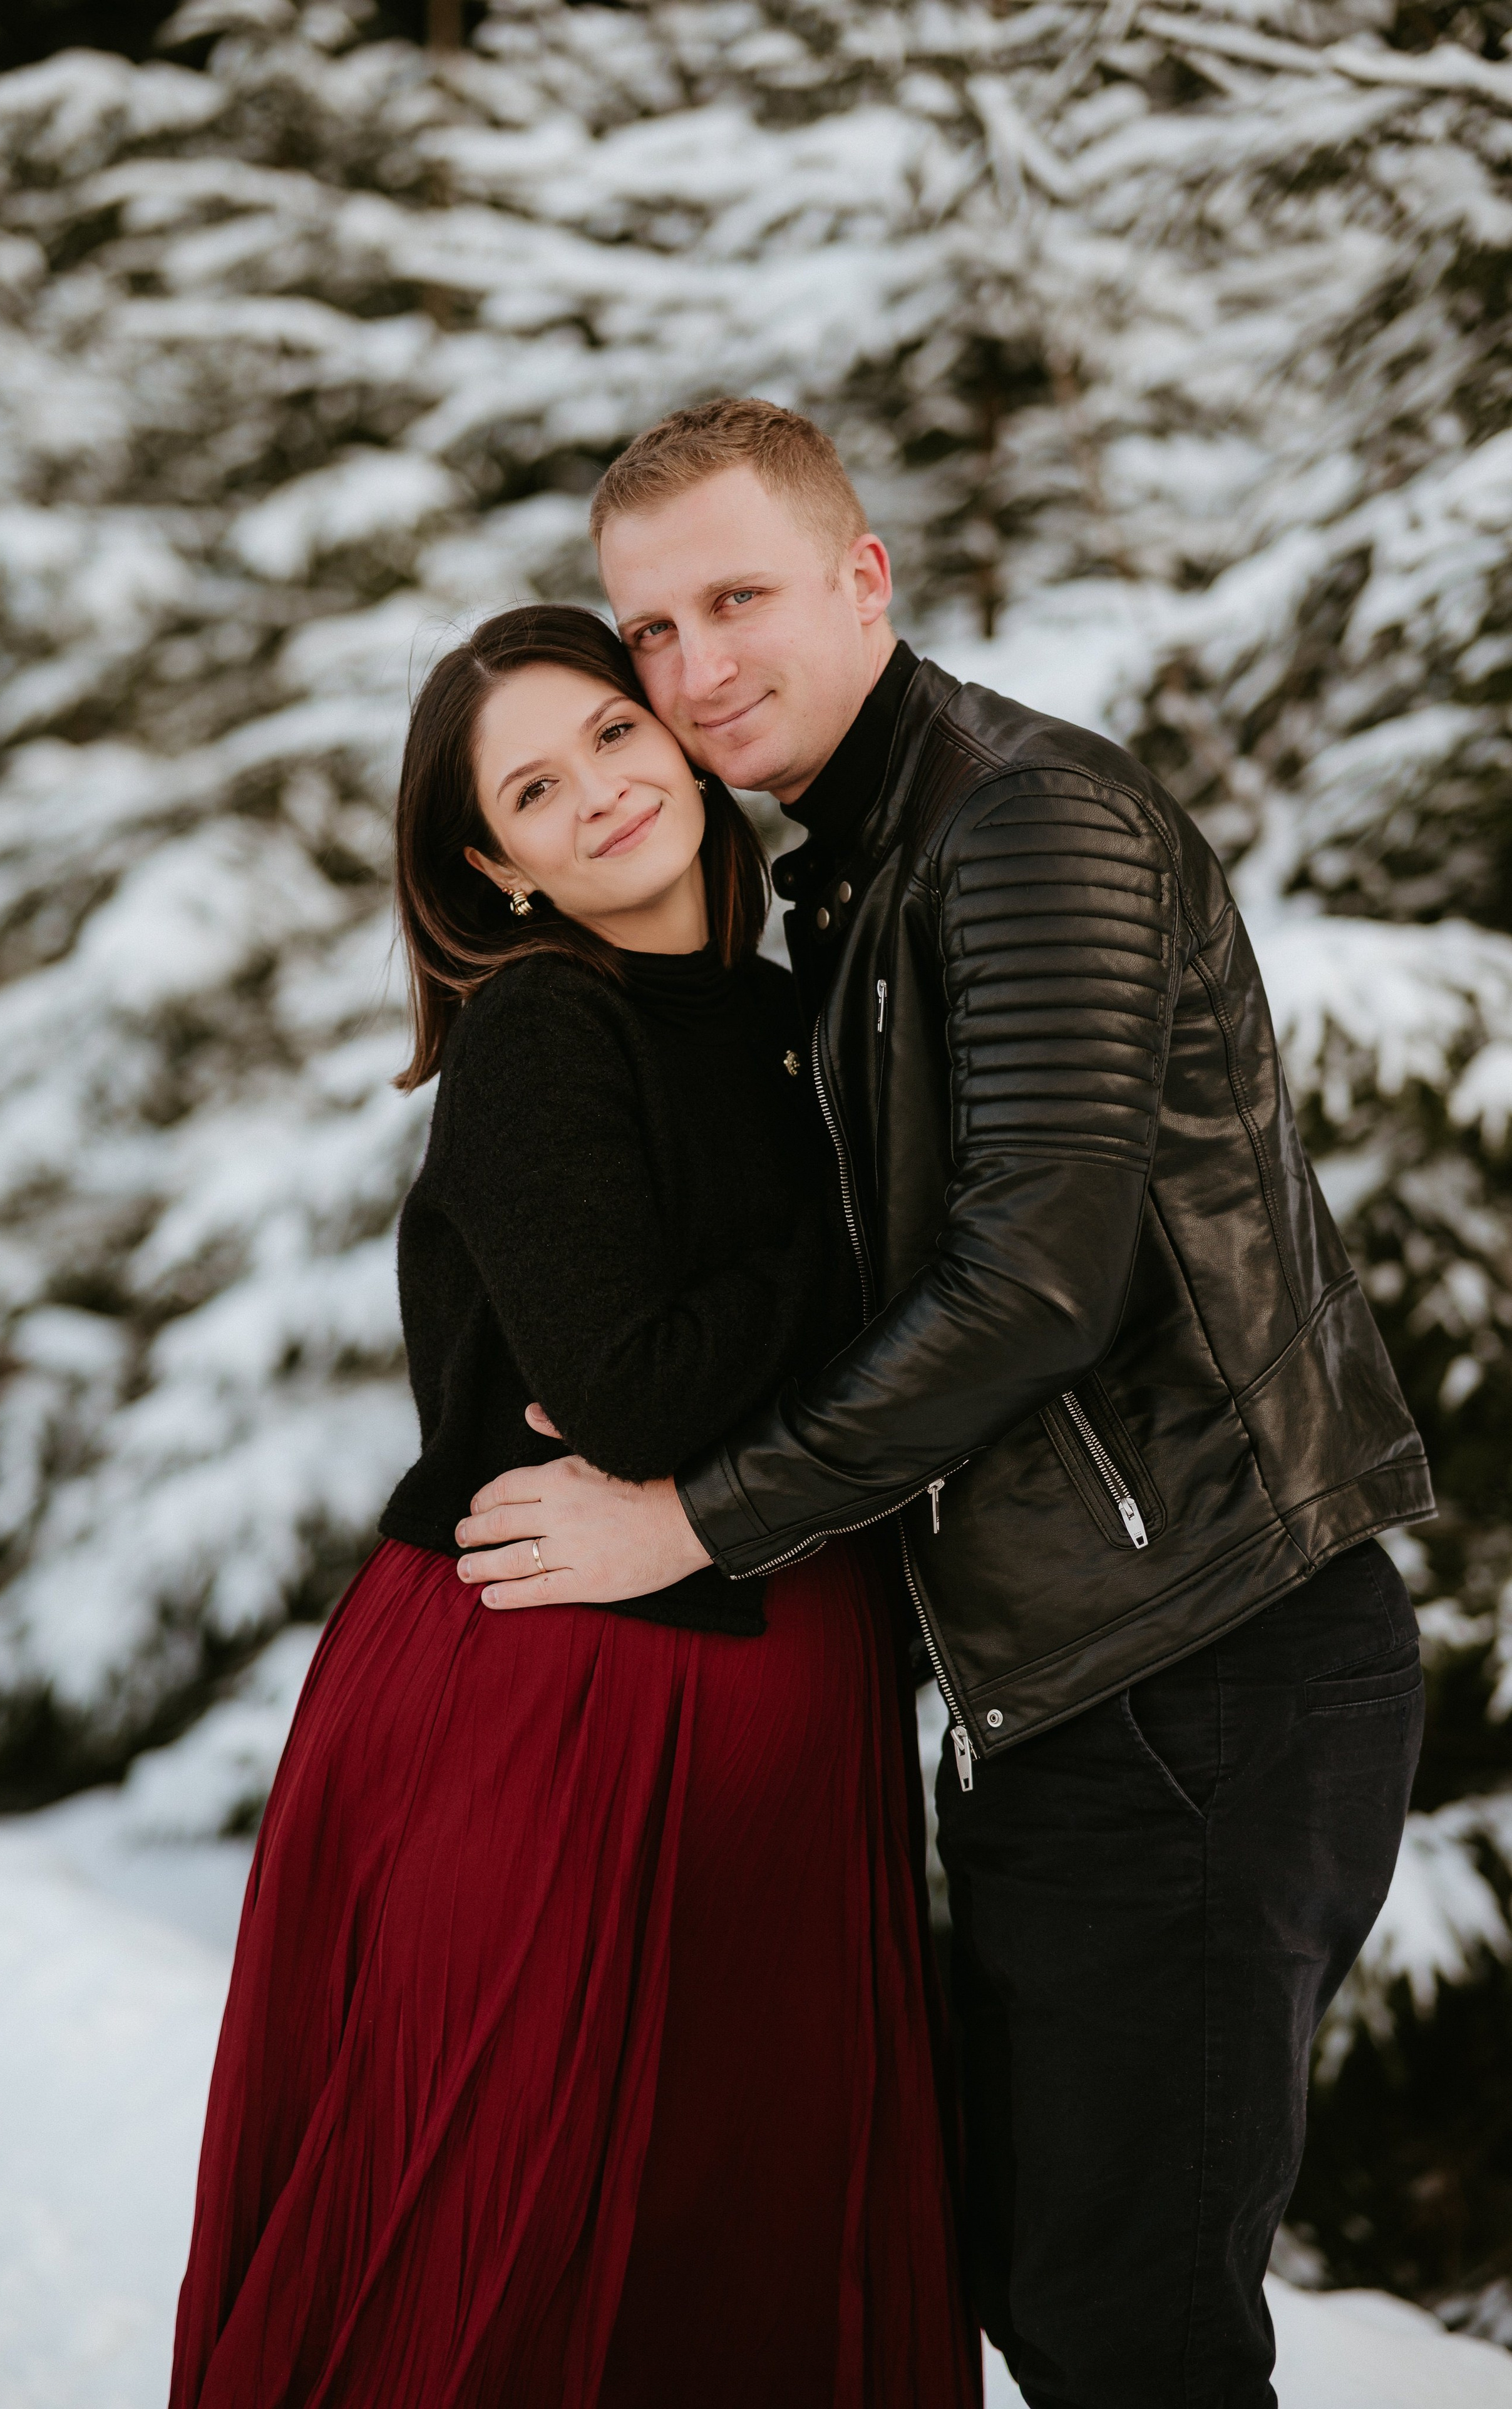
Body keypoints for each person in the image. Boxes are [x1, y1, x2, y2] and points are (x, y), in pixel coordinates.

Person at [455, 401, 1434, 2408]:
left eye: (738, 597)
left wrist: (699, 1515)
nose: (695, 666)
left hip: (1206, 1661)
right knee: (1047, 2278)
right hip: (1087, 1678)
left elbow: (1034, 1287)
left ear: (862, 573)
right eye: (649, 632)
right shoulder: (865, 869)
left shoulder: (1022, 827)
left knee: (1123, 2321)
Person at [168, 604, 978, 2409]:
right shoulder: (545, 1026)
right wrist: (863, 1259)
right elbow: (635, 1395)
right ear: (494, 863)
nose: (601, 792)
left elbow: (723, 1369)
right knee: (505, 2253)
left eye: (613, 736)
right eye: (536, 789)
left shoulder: (781, 1011)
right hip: (557, 1701)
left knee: (724, 2255)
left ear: (676, 735)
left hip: (768, 1696)